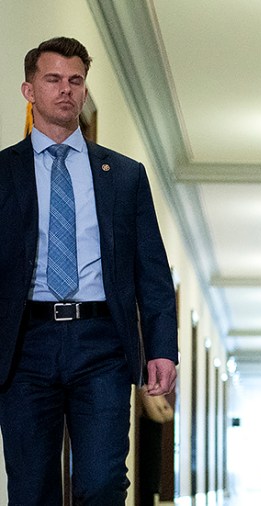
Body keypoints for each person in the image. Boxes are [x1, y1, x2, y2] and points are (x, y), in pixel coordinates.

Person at [0, 37, 178, 505]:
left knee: (101, 482)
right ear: (29, 89)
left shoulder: (124, 175)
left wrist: (161, 348)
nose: (66, 90)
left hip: (101, 343)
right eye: (53, 79)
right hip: (24, 345)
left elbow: (153, 272)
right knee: (30, 486)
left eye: (75, 80)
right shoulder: (3, 172)